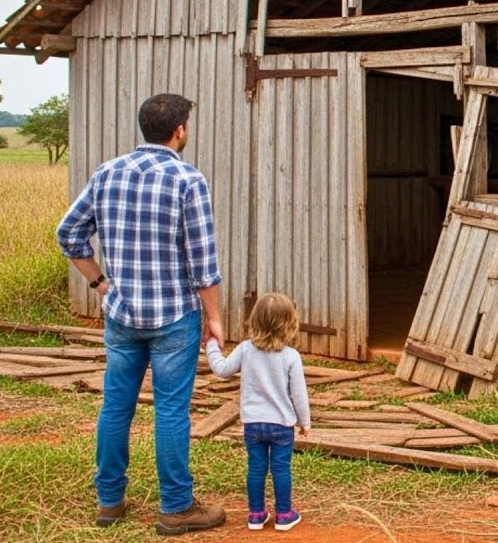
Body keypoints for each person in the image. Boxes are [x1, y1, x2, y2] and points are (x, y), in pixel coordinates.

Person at [57, 93, 227, 536]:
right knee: (171, 410)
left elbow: (68, 233)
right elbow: (203, 263)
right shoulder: (188, 180)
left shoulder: (107, 173)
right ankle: (176, 507)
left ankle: (109, 501)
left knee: (117, 406)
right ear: (179, 131)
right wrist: (215, 319)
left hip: (122, 315)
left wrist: (99, 283)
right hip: (173, 316)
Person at [205, 292, 311, 532]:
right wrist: (304, 421)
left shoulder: (246, 350)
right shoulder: (291, 357)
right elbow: (299, 395)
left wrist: (211, 345)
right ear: (289, 324)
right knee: (281, 469)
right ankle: (284, 515)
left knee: (256, 468)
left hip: (253, 424)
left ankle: (256, 514)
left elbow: (221, 370)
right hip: (282, 425)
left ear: (254, 321)